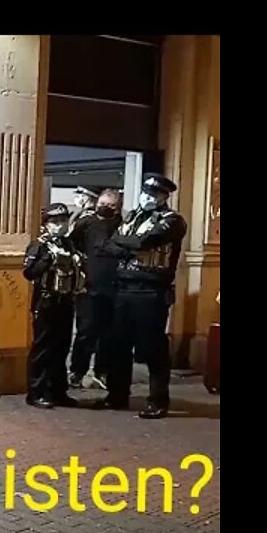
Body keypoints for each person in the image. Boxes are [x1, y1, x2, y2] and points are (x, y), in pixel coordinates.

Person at [98, 174, 188, 419]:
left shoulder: (173, 221)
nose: (148, 197)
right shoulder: (132, 217)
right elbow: (109, 244)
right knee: (119, 345)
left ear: (164, 197)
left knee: (153, 348)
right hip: (124, 289)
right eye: (146, 192)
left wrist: (128, 244)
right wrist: (131, 245)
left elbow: (147, 241)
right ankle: (117, 396)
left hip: (151, 291)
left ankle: (158, 401)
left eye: (155, 194)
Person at [22, 203, 84, 409]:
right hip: (46, 301)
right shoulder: (39, 246)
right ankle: (36, 392)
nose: (60, 225)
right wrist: (46, 261)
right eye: (55, 222)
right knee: (42, 348)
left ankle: (58, 391)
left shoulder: (69, 244)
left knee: (61, 347)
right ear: (46, 225)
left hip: (65, 301)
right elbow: (29, 272)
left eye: (63, 221)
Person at [67, 188, 123, 390]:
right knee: (86, 332)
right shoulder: (87, 223)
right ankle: (77, 371)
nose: (105, 208)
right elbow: (71, 245)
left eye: (111, 205)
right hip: (90, 287)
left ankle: (102, 371)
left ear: (117, 208)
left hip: (115, 287)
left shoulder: (122, 226)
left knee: (109, 334)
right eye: (103, 204)